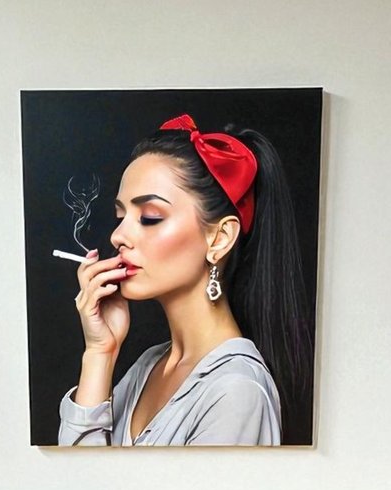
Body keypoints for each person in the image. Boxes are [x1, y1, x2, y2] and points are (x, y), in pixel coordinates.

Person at [57, 113, 314, 446]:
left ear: (220, 238)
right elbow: (76, 487)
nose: (118, 236)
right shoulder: (148, 368)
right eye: (121, 217)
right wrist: (99, 354)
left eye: (149, 217)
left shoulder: (235, 392)